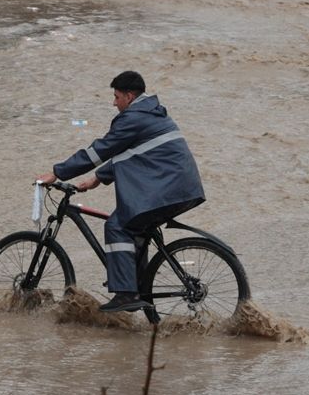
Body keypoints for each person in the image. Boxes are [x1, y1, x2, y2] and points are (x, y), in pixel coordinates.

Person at [36, 71, 205, 313]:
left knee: (117, 225)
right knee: (136, 227)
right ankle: (137, 286)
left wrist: (57, 172)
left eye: (116, 97)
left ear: (129, 95)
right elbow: (135, 154)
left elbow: (99, 151)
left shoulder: (133, 118)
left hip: (168, 189)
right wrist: (98, 178)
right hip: (181, 187)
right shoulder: (151, 113)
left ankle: (126, 294)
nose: (114, 103)